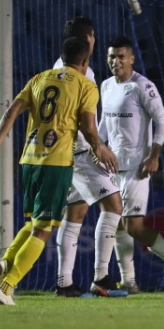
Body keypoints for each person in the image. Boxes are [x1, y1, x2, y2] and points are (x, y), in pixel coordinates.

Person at [0, 38, 117, 306]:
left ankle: (6, 261)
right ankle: (7, 287)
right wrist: (100, 148)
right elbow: (89, 128)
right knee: (43, 231)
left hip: (29, 160)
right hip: (56, 163)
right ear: (85, 61)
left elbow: (12, 111)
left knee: (33, 224)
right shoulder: (86, 86)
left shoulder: (39, 78)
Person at [99, 35, 164, 294]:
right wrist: (97, 147)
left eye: (121, 56)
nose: (116, 61)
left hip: (137, 167)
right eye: (111, 56)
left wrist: (153, 156)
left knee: (134, 226)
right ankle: (128, 282)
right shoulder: (106, 86)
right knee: (116, 222)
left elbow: (162, 120)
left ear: (131, 58)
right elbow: (104, 124)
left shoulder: (143, 86)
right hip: (112, 167)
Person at [51, 16, 126, 298]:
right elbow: (85, 120)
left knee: (76, 214)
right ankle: (101, 279)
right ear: (89, 38)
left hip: (62, 152)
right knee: (114, 206)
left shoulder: (58, 67)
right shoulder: (85, 75)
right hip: (81, 151)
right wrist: (99, 148)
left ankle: (64, 283)